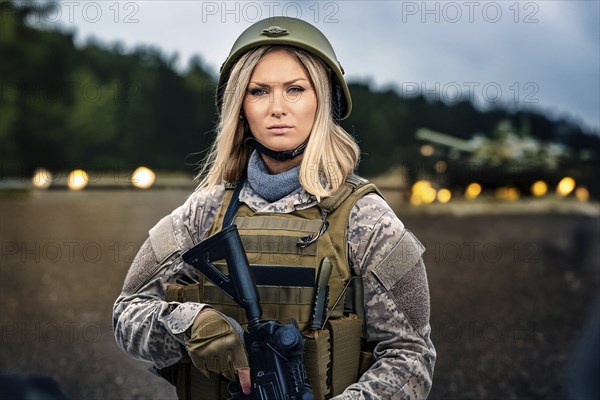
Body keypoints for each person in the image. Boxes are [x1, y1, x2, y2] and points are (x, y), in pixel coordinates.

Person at [113, 16, 436, 399]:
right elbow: (127, 315)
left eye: (295, 89)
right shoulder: (204, 211)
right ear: (240, 105)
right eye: (259, 91)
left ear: (324, 102)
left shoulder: (366, 219)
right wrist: (189, 323)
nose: (277, 108)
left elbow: (411, 357)